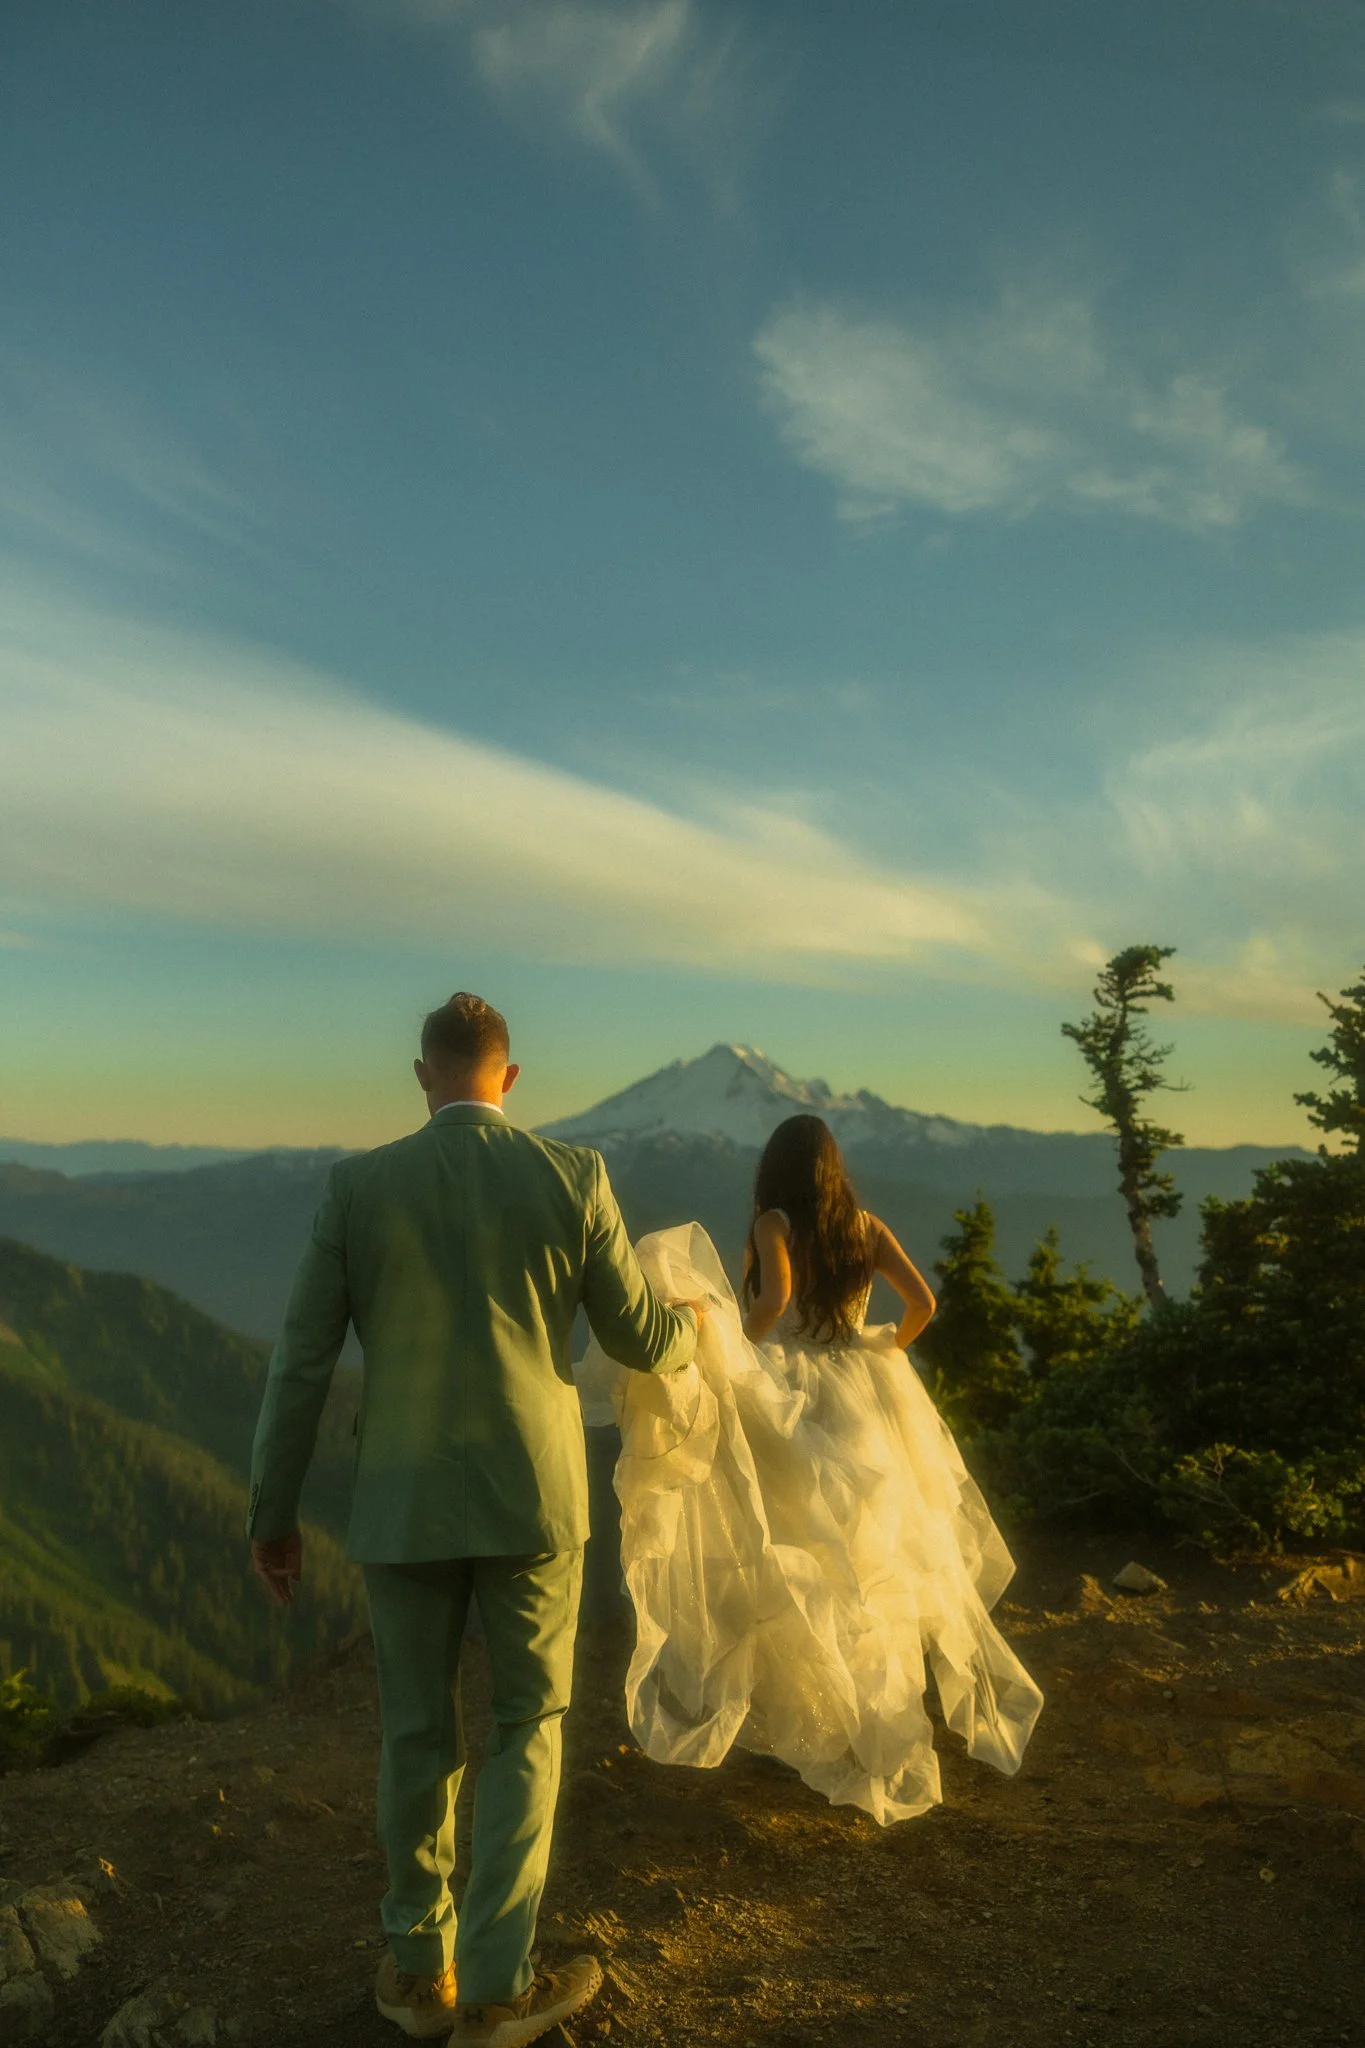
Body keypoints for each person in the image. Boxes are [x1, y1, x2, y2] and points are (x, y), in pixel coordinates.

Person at [246, 993, 702, 2046]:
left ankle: (418, 1974)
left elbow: (302, 1360)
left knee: (415, 1729)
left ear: (422, 1075)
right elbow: (635, 1334)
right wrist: (695, 1339)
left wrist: (273, 1511)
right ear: (510, 1076)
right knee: (528, 1726)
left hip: (400, 1502)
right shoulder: (573, 1175)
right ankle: (499, 1986)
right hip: (536, 1499)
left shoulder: (358, 1187)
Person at [576, 1112, 1043, 1825]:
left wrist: (735, 1348)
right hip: (866, 1388)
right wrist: (883, 1346)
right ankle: (876, 1723)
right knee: (871, 1558)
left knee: (787, 1552)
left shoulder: (772, 1222)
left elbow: (774, 1301)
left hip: (793, 1391)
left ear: (776, 1170)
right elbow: (922, 1304)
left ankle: (821, 1718)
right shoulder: (866, 1224)